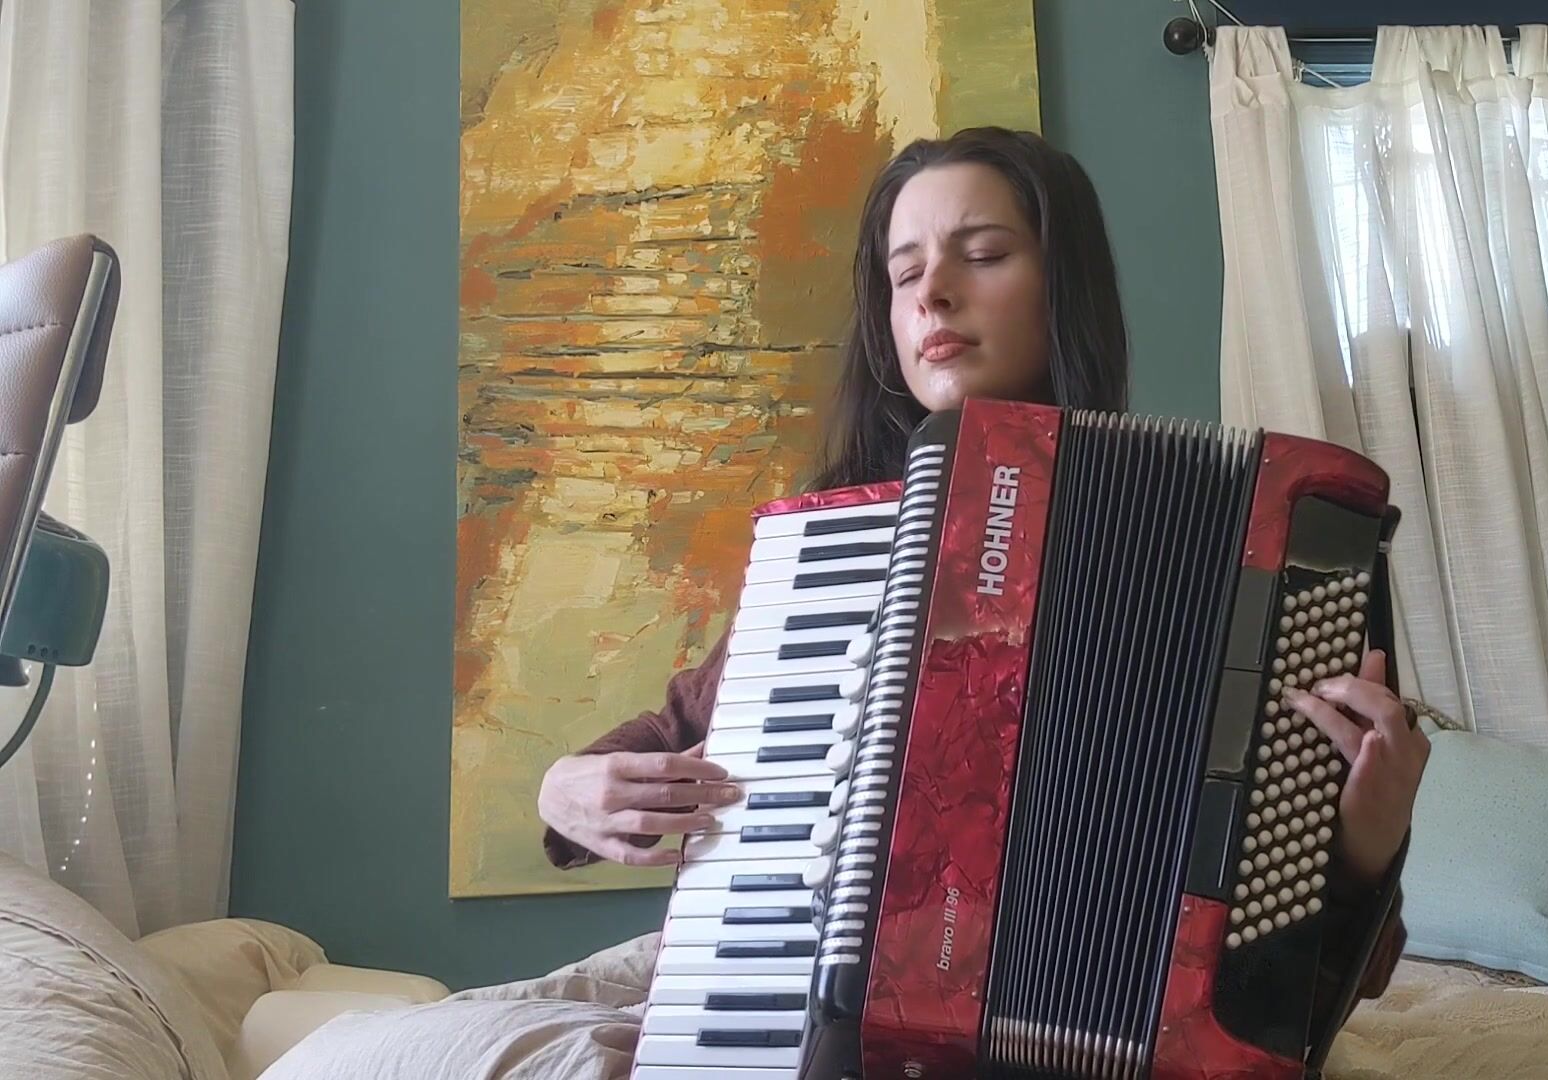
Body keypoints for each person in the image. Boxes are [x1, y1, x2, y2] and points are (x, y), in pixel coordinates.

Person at [536, 127, 1427, 1019]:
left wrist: (1366, 843)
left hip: (1109, 1019)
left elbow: (1327, 985)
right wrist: (565, 788)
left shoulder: (1236, 537)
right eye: (904, 273)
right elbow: (683, 727)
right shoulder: (834, 552)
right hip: (830, 1010)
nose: (933, 292)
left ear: (1061, 287)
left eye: (985, 254)